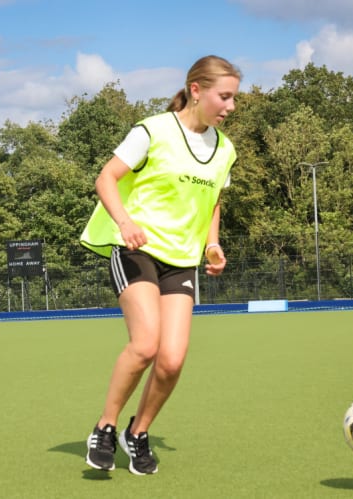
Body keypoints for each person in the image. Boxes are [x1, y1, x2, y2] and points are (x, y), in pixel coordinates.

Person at [79, 55, 241, 474]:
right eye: (224, 96)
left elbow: (214, 201)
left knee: (171, 360)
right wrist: (125, 221)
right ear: (196, 90)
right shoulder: (152, 130)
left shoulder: (225, 150)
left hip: (181, 261)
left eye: (235, 98)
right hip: (135, 249)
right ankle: (106, 426)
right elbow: (105, 178)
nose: (231, 107)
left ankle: (138, 432)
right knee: (146, 344)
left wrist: (212, 244)